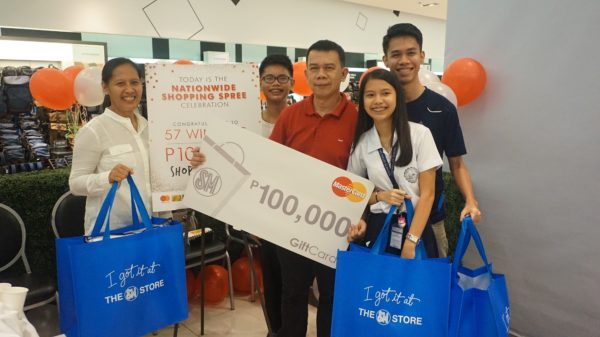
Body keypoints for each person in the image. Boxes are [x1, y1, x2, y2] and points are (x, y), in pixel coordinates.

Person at [269, 40, 357, 337]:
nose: (321, 74)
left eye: (329, 68)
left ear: (343, 73)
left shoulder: (359, 119)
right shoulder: (290, 116)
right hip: (291, 222)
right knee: (292, 293)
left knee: (332, 298)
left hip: (337, 228)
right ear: (306, 75)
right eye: (315, 68)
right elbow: (269, 164)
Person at [69, 57, 205, 234]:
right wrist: (107, 177)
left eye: (135, 82)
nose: (129, 89)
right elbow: (75, 183)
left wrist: (189, 164)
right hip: (115, 233)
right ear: (105, 87)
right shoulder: (94, 131)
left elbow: (163, 175)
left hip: (157, 227)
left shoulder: (151, 128)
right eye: (120, 83)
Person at [382, 23, 482, 257]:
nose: (404, 60)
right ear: (386, 59)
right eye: (396, 54)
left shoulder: (442, 109)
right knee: (385, 288)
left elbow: (457, 164)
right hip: (385, 217)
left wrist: (470, 200)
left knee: (429, 288)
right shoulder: (379, 107)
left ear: (422, 56)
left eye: (411, 53)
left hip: (430, 218)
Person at [346, 68, 442, 258]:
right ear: (362, 100)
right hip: (378, 226)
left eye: (386, 93)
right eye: (370, 95)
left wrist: (411, 240)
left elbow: (428, 195)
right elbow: (352, 192)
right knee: (377, 286)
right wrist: (380, 197)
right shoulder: (363, 143)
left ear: (397, 97)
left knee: (416, 286)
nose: (378, 101)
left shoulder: (420, 134)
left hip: (416, 227)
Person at [257, 54, 294, 335]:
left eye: (282, 78)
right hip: (264, 215)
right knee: (271, 277)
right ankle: (276, 330)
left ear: (292, 82)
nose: (276, 83)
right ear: (260, 82)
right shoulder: (248, 122)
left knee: (295, 281)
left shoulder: (303, 119)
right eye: (269, 78)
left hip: (299, 215)